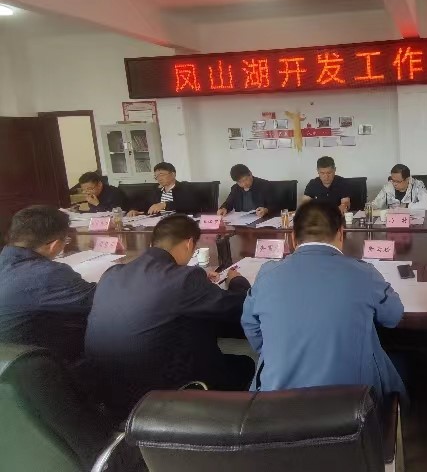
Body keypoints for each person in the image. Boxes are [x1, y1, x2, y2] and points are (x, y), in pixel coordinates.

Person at [84, 215, 254, 419]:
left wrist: (197, 282)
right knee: (245, 364)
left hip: (107, 393)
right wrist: (237, 281)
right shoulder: (184, 279)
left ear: (152, 242)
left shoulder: (112, 273)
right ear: (189, 243)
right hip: (160, 397)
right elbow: (239, 307)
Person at [241, 201, 405, 405]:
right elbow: (393, 317)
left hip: (275, 406)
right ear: (341, 234)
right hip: (354, 407)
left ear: (292, 237)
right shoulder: (364, 273)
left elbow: (251, 327)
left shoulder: (267, 274)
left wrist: (280, 348)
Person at [0, 206, 95, 362]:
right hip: (35, 365)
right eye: (66, 241)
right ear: (55, 245)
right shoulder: (47, 274)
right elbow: (102, 301)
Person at [127, 162, 203, 216]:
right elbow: (144, 203)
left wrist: (165, 205)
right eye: (156, 176)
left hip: (179, 222)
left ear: (173, 174)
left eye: (161, 175)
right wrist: (134, 210)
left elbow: (191, 204)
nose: (159, 178)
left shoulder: (185, 187)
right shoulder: (156, 190)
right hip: (159, 223)